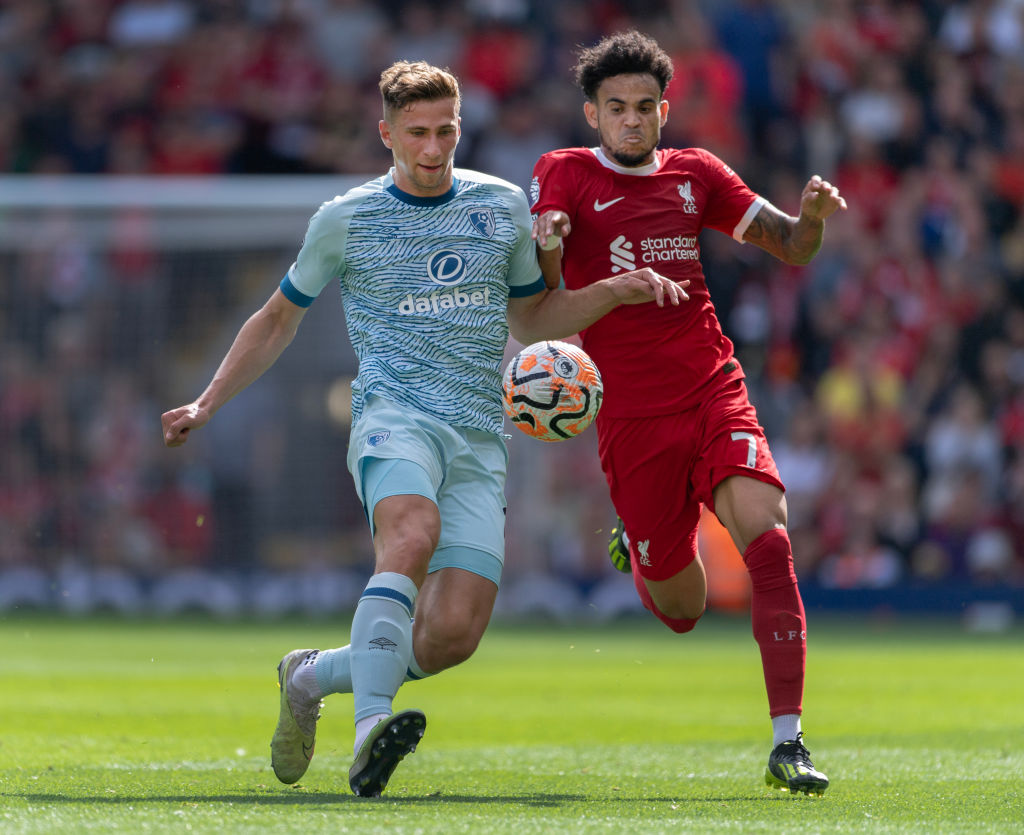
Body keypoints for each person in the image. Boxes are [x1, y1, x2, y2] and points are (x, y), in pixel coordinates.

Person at [161, 60, 685, 797]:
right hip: (392, 416)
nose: (433, 146)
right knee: (411, 534)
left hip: (479, 432)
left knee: (450, 636)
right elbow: (278, 316)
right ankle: (372, 727)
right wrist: (207, 402)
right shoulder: (346, 218)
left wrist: (611, 292)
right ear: (387, 134)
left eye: (445, 130)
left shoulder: (502, 207)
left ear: (460, 127)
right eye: (417, 133)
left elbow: (532, 318)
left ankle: (309, 675)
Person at [530, 30, 847, 796]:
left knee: (768, 541)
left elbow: (793, 248)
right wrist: (556, 252)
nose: (632, 121)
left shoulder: (697, 173)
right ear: (592, 113)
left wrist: (811, 218)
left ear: (665, 111)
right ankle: (639, 549)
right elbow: (540, 315)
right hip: (631, 418)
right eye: (617, 109)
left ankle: (789, 740)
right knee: (683, 606)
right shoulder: (562, 177)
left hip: (712, 387)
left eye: (645, 107)